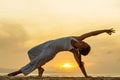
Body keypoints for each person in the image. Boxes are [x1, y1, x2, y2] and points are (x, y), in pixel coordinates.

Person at [8, 28, 115, 77]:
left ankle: (18, 72)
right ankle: (40, 69)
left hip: (50, 52)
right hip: (49, 43)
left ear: (82, 49)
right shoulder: (78, 38)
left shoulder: (74, 51)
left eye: (85, 45)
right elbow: (92, 33)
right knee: (31, 52)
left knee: (35, 61)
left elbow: (80, 65)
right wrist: (105, 30)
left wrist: (86, 76)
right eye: (85, 43)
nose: (84, 42)